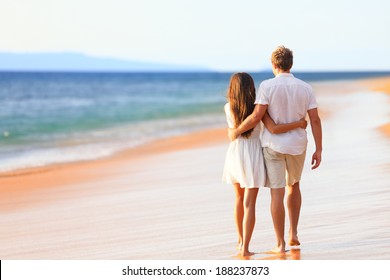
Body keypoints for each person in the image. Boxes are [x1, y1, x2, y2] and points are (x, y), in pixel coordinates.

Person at [228, 46, 323, 253]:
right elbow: (314, 119)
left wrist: (236, 131)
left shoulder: (267, 86)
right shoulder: (305, 87)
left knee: (276, 193)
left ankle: (280, 244)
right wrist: (319, 149)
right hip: (297, 145)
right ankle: (293, 233)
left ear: (273, 65)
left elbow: (256, 116)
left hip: (273, 146)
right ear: (291, 64)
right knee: (294, 186)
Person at [222, 72, 307, 257]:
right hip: (252, 155)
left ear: (232, 89)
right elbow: (273, 129)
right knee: (249, 203)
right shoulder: (258, 109)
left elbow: (232, 130)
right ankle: (245, 248)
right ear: (251, 88)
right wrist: (299, 123)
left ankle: (239, 240)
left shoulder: (228, 107)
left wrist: (234, 132)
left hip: (235, 154)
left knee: (238, 199)